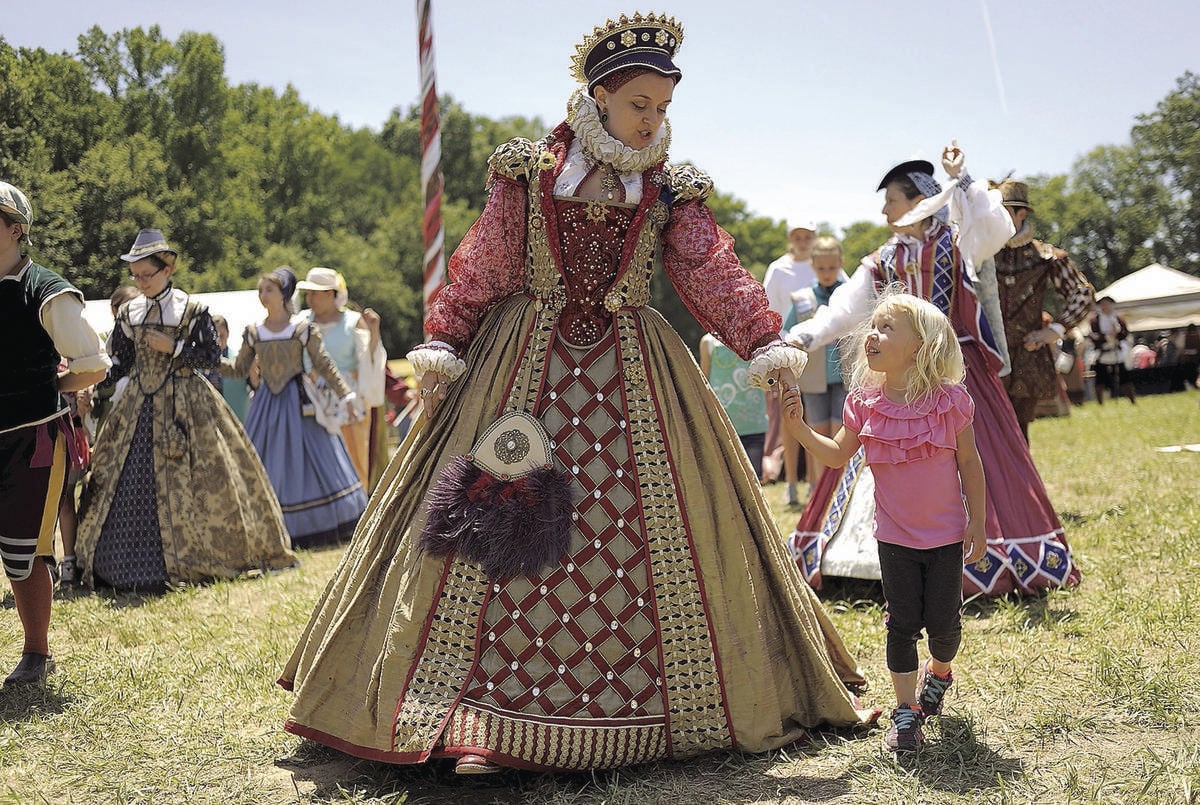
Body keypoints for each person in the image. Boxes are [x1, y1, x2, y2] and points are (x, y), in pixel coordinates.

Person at [279, 12, 872, 775]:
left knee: (650, 530)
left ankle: (650, 709)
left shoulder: (666, 191)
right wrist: (446, 341)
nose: (654, 120)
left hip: (636, 372)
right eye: (640, 105)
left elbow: (707, 270)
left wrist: (762, 338)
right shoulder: (528, 174)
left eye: (664, 108)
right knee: (493, 533)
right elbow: (488, 264)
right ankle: (477, 717)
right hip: (522, 372)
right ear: (597, 97)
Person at [789, 145, 1079, 598]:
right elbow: (845, 310)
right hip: (898, 377)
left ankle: (978, 553)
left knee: (971, 455)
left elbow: (996, 226)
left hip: (952, 371)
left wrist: (961, 180)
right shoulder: (883, 256)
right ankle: (874, 562)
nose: (885, 209)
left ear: (917, 200)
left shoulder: (958, 239)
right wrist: (803, 337)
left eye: (892, 200)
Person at [784, 291, 985, 752]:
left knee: (945, 629)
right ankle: (905, 712)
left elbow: (971, 463)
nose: (871, 335)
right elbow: (836, 455)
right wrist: (798, 430)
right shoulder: (864, 403)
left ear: (921, 344)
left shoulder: (951, 401)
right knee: (900, 625)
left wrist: (979, 521)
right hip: (893, 538)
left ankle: (939, 672)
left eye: (887, 327)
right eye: (871, 325)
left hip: (947, 536)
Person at [76, 230, 296, 591]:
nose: (141, 282)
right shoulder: (130, 312)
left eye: (147, 274)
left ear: (168, 269)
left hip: (186, 404)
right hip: (137, 406)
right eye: (136, 275)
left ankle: (194, 560)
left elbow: (211, 358)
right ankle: (115, 566)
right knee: (125, 480)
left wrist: (174, 347)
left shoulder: (192, 310)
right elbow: (121, 363)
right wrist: (94, 385)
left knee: (200, 480)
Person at [1, 180, 109, 684]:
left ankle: (36, 654)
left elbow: (94, 364)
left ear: (16, 229)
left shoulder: (42, 288)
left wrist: (58, 384)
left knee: (24, 555)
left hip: (32, 439)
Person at [223, 267, 367, 549]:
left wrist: (346, 395)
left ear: (283, 294)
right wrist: (206, 359)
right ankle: (266, 524)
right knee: (265, 459)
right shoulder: (254, 332)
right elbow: (239, 369)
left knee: (312, 458)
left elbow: (324, 364)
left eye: (269, 290)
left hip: (299, 401)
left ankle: (318, 523)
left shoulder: (301, 330)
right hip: (265, 404)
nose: (263, 295)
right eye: (260, 290)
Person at [991, 179, 1094, 442]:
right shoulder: (981, 252)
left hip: (1027, 354)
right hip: (986, 355)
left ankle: (1020, 484)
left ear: (1020, 214)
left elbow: (1083, 293)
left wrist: (1055, 330)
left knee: (1018, 430)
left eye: (1002, 212)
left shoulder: (1045, 255)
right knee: (985, 431)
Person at [296, 267, 387, 490]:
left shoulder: (353, 322)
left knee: (353, 458)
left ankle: (355, 513)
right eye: (308, 293)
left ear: (330, 294)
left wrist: (374, 332)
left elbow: (368, 360)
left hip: (348, 401)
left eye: (315, 293)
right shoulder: (300, 321)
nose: (310, 299)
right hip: (310, 398)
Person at [786, 236, 848, 493]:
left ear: (840, 263)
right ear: (812, 266)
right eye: (821, 268)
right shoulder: (802, 299)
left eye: (832, 268)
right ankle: (818, 489)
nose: (827, 273)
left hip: (845, 377)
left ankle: (840, 491)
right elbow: (789, 331)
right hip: (813, 379)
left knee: (841, 434)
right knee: (817, 433)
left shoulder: (849, 293)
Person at [762, 215, 816, 503]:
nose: (803, 241)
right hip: (786, 351)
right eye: (797, 236)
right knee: (789, 413)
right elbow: (767, 309)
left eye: (808, 236)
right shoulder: (778, 269)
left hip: (819, 350)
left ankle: (815, 482)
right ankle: (790, 481)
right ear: (789, 239)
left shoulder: (823, 264)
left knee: (817, 417)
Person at [699, 332, 767, 478]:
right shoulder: (708, 343)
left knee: (754, 479)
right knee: (728, 479)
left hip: (753, 425)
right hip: (723, 427)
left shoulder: (754, 339)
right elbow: (704, 383)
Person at [1088, 296, 1136, 405]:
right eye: (1103, 304)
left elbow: (1124, 333)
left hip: (1117, 351)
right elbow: (1094, 335)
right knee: (1100, 379)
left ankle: (1132, 400)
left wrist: (1116, 335)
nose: (1105, 306)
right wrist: (1106, 337)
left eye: (1107, 304)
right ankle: (1100, 403)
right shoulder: (1095, 320)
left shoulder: (1118, 318)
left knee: (1124, 378)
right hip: (1103, 352)